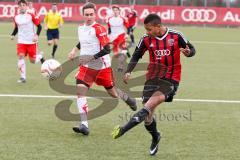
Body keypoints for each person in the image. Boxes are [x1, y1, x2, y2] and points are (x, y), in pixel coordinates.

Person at [112, 14, 196, 156]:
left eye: (149, 29)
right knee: (148, 116)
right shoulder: (146, 39)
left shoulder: (176, 36)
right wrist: (128, 71)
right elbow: (136, 55)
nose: (147, 32)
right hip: (152, 78)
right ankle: (156, 136)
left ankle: (123, 129)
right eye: (146, 29)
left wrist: (189, 53)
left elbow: (192, 50)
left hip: (171, 79)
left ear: (158, 27)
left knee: (149, 105)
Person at [68, 2, 137, 136]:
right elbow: (82, 41)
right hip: (86, 67)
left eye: (91, 14)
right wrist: (74, 50)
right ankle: (84, 125)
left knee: (113, 93)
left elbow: (107, 49)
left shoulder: (99, 28)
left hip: (102, 66)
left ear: (95, 14)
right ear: (83, 15)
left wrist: (91, 58)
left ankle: (127, 98)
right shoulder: (80, 28)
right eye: (86, 14)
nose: (89, 17)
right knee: (80, 92)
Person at [10, 0, 45, 83]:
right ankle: (23, 77)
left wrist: (36, 35)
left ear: (26, 6)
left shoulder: (31, 15)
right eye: (20, 5)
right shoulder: (16, 17)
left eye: (23, 5)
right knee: (20, 56)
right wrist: (13, 35)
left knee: (32, 61)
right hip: (21, 41)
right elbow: (16, 28)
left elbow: (39, 26)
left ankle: (39, 57)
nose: (22, 7)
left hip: (31, 42)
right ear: (18, 7)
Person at [107, 5, 129, 72]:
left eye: (116, 10)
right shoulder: (109, 19)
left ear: (119, 11)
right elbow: (109, 28)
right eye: (114, 10)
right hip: (113, 37)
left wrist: (127, 34)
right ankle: (117, 65)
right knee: (115, 53)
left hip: (121, 35)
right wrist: (108, 35)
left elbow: (127, 27)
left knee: (124, 50)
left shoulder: (123, 19)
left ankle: (120, 66)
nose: (115, 11)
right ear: (112, 11)